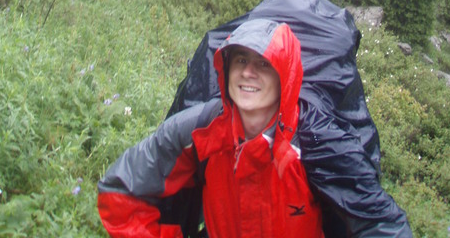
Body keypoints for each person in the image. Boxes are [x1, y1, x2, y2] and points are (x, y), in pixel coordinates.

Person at [97, 17, 413, 238]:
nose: (249, 73)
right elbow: (121, 189)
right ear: (226, 69)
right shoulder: (199, 129)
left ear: (285, 77)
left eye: (264, 64)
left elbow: (379, 223)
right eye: (241, 61)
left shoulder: (318, 140)